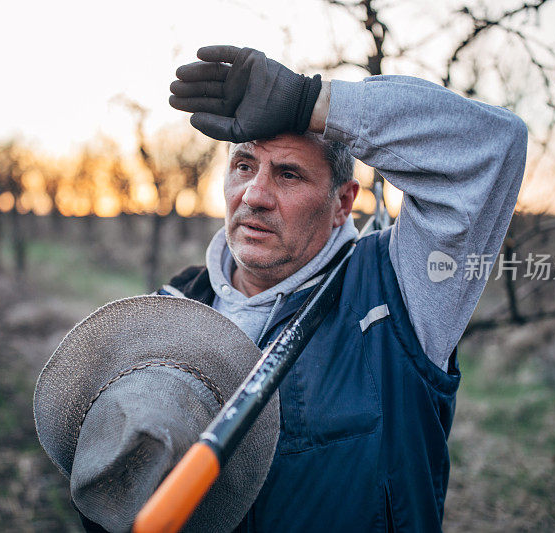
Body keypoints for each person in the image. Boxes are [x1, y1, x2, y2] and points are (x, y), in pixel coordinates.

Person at [158, 45, 528, 532]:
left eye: (289, 174)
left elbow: (495, 143)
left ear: (343, 203)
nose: (254, 195)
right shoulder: (173, 307)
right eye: (244, 166)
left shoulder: (399, 289)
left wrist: (310, 101)